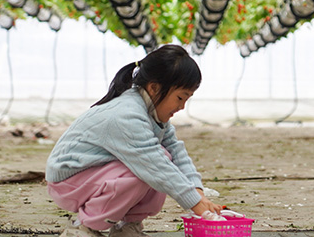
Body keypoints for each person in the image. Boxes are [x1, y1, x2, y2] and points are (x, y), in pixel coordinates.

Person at [46, 44, 223, 237]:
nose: (182, 106)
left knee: (163, 158)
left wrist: (197, 190)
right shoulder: (127, 115)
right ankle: (83, 227)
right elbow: (155, 164)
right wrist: (194, 203)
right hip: (70, 182)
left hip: (93, 176)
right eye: (180, 97)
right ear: (154, 88)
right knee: (154, 165)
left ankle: (126, 228)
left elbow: (176, 152)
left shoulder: (152, 114)